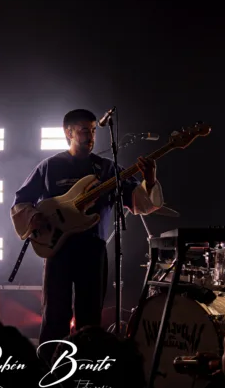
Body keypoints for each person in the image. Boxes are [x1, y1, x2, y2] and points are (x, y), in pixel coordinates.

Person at [11, 108, 163, 360]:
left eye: (93, 131)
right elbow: (21, 201)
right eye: (84, 131)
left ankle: (86, 368)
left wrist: (150, 179)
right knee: (55, 314)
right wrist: (34, 216)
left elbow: (141, 203)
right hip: (58, 249)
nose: (90, 136)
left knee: (90, 316)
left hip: (93, 249)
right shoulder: (50, 166)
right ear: (68, 133)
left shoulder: (107, 168)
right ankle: (49, 367)